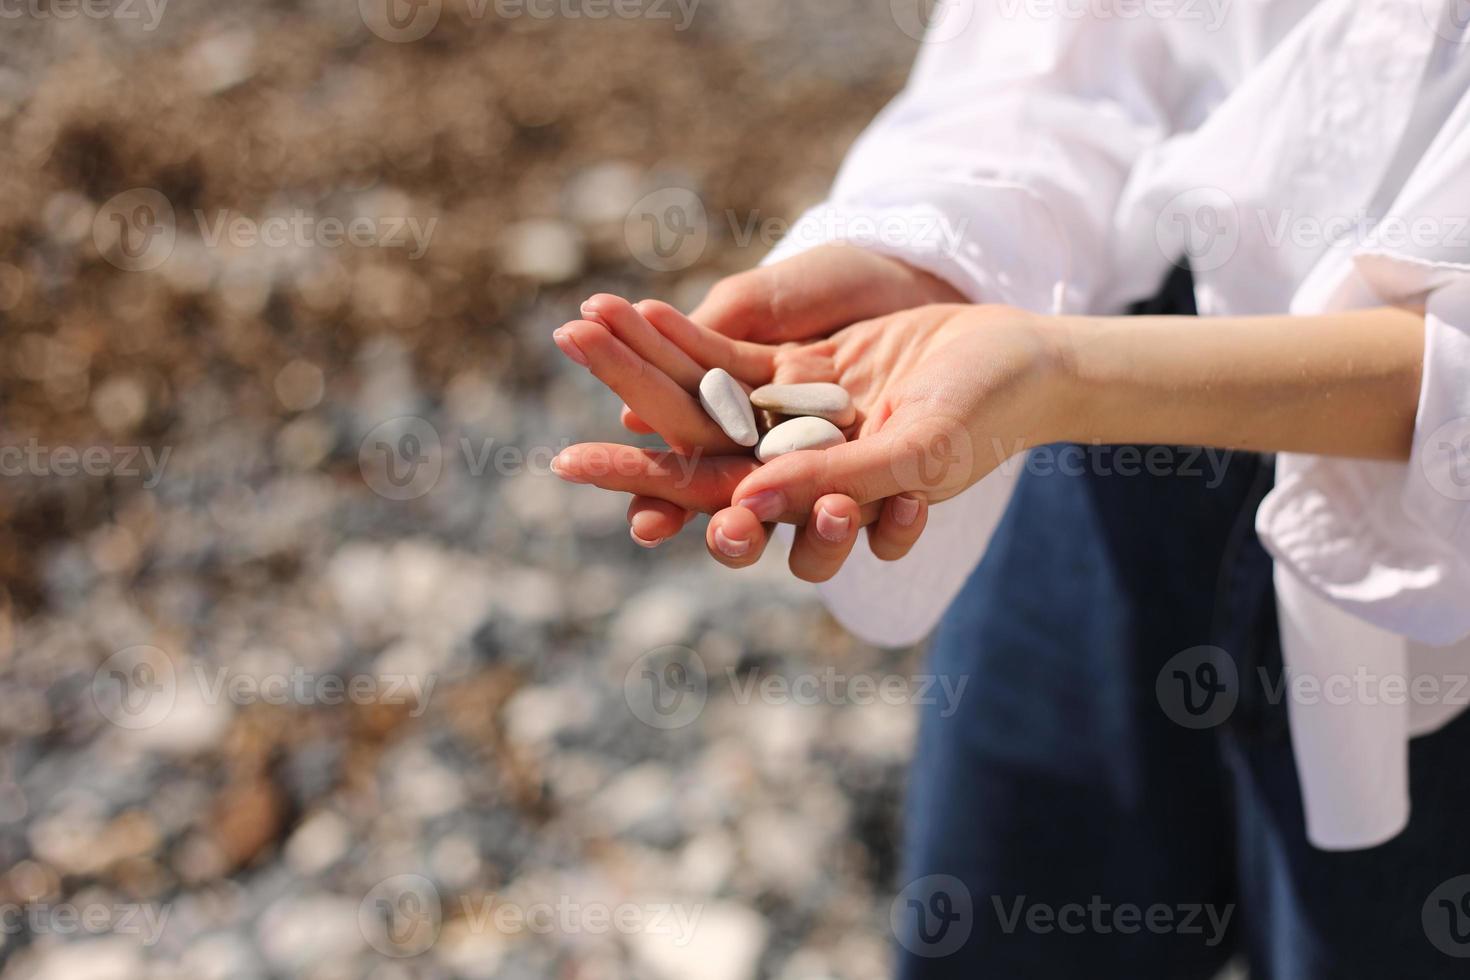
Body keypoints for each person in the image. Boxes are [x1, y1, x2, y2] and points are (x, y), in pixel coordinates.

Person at [552, 2, 1470, 976]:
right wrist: (926, 258)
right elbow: (1068, 46)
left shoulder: (1049, 373)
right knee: (1006, 928)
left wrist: (1054, 370)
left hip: (1424, 580)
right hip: (1091, 435)